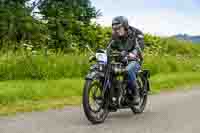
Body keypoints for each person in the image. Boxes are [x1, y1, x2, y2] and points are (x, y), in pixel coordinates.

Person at [109, 16, 145, 104]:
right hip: (121, 60)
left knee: (128, 70)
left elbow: (140, 45)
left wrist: (133, 53)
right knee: (108, 70)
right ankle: (112, 95)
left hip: (134, 60)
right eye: (114, 28)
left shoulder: (136, 33)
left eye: (118, 28)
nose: (116, 30)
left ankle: (136, 93)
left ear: (125, 26)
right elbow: (109, 47)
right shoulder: (115, 36)